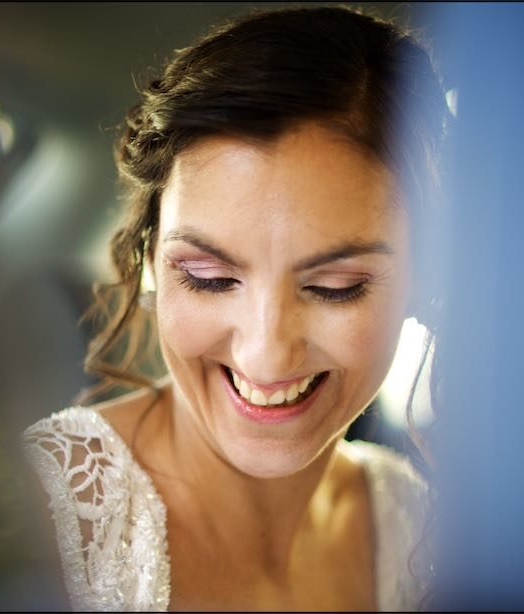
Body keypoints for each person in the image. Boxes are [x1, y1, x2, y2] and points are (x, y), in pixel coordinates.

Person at [23, 5, 449, 611]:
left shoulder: (411, 521)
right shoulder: (38, 512)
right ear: (150, 261)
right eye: (210, 277)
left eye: (336, 286)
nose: (266, 351)